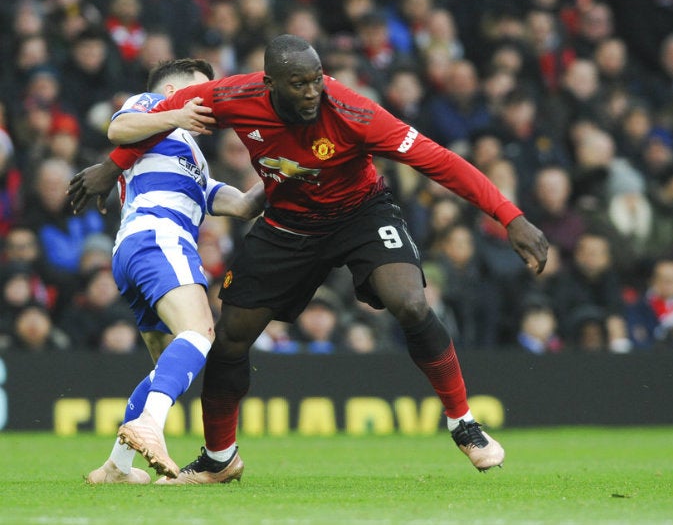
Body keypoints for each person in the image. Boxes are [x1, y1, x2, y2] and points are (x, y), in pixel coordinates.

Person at [69, 34, 548, 481]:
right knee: (230, 337)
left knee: (411, 302)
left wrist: (510, 217)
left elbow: (440, 161)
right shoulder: (234, 95)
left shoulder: (355, 113)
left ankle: (463, 422)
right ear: (269, 84)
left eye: (317, 80)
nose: (312, 92)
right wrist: (111, 167)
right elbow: (156, 125)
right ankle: (219, 459)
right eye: (299, 84)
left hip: (360, 213)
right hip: (288, 224)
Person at [71, 58, 265, 484]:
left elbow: (242, 205)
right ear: (174, 87)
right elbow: (118, 130)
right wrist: (175, 111)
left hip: (138, 248)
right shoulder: (153, 106)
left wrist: (281, 172)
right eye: (202, 90)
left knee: (168, 366)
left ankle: (116, 468)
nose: (210, 102)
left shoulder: (189, 154)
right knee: (201, 332)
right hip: (158, 236)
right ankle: (149, 428)